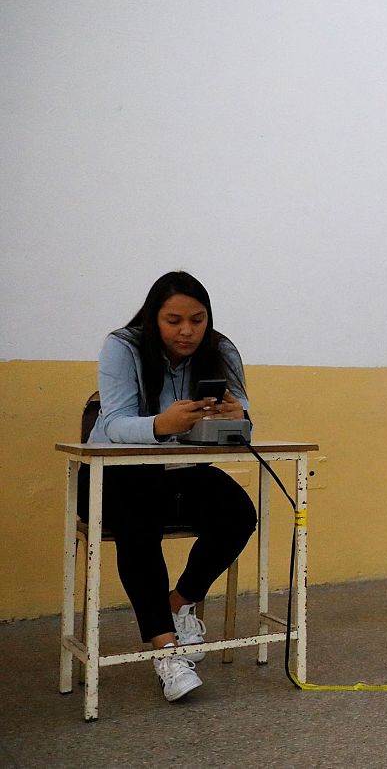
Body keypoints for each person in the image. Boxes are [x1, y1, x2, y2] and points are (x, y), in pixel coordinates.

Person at [84, 271, 257, 702]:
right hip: (115, 473)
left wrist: (237, 417)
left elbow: (246, 422)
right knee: (137, 520)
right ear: (153, 318)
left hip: (178, 471)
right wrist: (162, 424)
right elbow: (114, 423)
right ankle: (166, 650)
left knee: (238, 513)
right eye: (174, 320)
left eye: (197, 320)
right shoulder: (122, 347)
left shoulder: (221, 349)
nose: (187, 331)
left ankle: (179, 603)